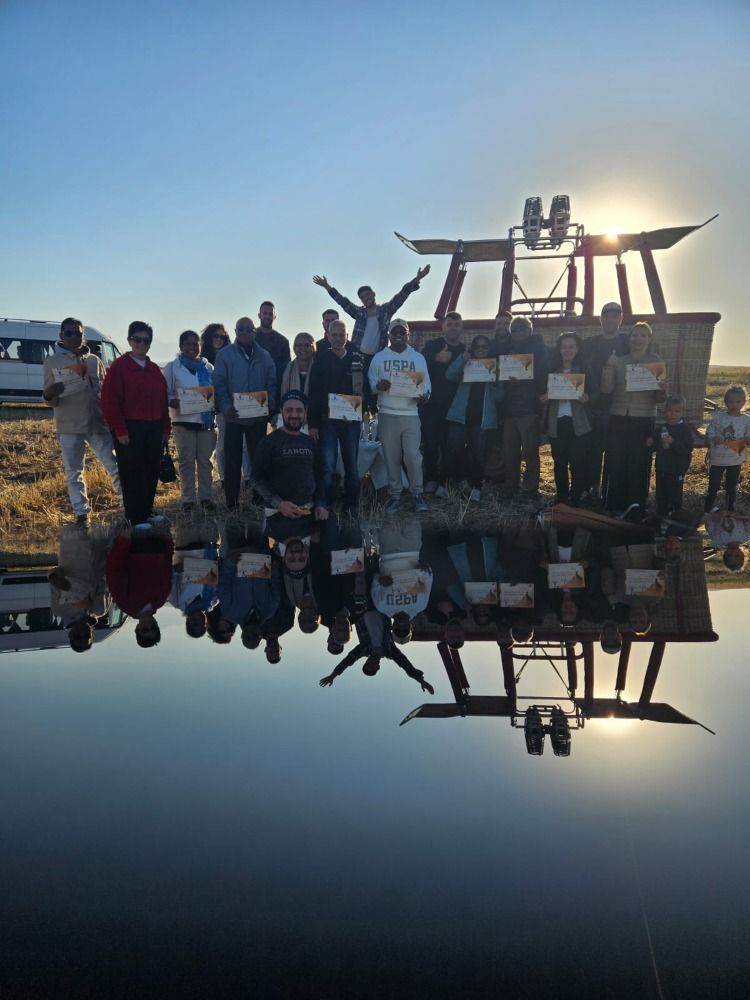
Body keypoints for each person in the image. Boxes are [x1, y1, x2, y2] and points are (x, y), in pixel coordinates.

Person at [42, 317, 122, 526]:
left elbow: (104, 392)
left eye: (77, 333)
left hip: (97, 422)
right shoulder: (52, 362)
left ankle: (128, 504)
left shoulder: (94, 360)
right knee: (74, 471)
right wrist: (50, 394)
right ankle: (81, 513)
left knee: (114, 465)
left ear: (83, 335)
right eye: (68, 333)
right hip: (69, 424)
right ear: (61, 336)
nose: (73, 337)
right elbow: (49, 398)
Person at [312, 265, 431, 400]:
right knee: (358, 387)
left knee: (378, 386)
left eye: (368, 294)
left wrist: (417, 278)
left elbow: (401, 296)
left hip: (377, 357)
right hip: (359, 357)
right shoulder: (359, 313)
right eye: (362, 297)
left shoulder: (385, 311)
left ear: (373, 294)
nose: (366, 298)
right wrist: (327, 286)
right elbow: (342, 301)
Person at [101, 321, 170, 528]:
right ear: (129, 341)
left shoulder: (154, 369)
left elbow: (163, 401)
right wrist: (120, 429)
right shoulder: (119, 367)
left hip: (153, 426)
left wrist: (166, 428)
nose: (142, 344)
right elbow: (110, 401)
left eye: (146, 341)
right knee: (132, 472)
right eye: (137, 340)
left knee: (151, 470)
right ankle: (134, 516)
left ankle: (147, 511)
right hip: (130, 427)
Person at [601, 322, 667, 517]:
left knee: (639, 463)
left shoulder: (656, 362)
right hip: (619, 416)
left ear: (649, 339)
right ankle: (613, 505)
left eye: (643, 335)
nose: (638, 339)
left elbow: (659, 399)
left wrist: (662, 390)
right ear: (629, 338)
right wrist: (608, 367)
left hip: (644, 418)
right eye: (635, 335)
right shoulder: (620, 361)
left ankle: (636, 506)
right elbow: (606, 389)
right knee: (616, 461)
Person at [368, 318, 431, 513]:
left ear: (407, 335)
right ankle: (395, 495)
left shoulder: (418, 358)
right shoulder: (379, 357)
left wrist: (424, 396)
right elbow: (371, 383)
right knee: (391, 457)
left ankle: (417, 494)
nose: (398, 336)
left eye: (401, 332)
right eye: (394, 332)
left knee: (412, 456)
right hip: (387, 413)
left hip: (410, 414)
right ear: (388, 334)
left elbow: (426, 385)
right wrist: (378, 386)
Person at [213, 316, 276, 510]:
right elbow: (219, 384)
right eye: (241, 329)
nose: (245, 332)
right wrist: (226, 407)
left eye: (249, 329)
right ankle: (231, 502)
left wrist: (270, 403)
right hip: (234, 417)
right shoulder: (224, 355)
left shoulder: (265, 356)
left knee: (258, 460)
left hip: (257, 418)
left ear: (254, 332)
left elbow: (271, 381)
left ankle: (258, 498)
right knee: (232, 461)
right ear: (235, 331)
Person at [307, 320, 364, 515]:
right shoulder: (321, 360)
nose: (339, 338)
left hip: (351, 419)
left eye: (342, 335)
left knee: (351, 464)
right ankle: (326, 503)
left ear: (347, 336)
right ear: (328, 336)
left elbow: (365, 387)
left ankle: (351, 504)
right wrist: (313, 424)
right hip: (327, 420)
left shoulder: (357, 358)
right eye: (335, 335)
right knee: (327, 464)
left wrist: (364, 402)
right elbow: (314, 394)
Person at [444, 334, 504, 502]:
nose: (480, 349)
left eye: (484, 347)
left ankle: (476, 486)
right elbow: (450, 375)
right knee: (454, 449)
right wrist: (462, 359)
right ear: (472, 349)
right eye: (477, 347)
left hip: (482, 419)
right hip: (460, 416)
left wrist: (495, 381)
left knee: (478, 454)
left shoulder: (494, 367)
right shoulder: (466, 363)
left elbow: (500, 396)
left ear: (489, 349)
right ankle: (459, 481)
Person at [251, 390, 328, 520]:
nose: (294, 415)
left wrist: (320, 504)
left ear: (305, 413)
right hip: (278, 512)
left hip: (309, 510)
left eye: (299, 410)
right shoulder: (268, 442)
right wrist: (279, 503)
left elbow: (320, 477)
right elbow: (256, 478)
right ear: (281, 411)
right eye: (289, 410)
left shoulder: (310, 443)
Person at [162, 330, 217, 512]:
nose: (192, 347)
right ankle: (188, 500)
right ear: (181, 346)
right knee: (186, 462)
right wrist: (175, 402)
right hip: (183, 421)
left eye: (195, 344)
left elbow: (215, 392)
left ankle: (206, 497)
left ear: (200, 346)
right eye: (188, 343)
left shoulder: (208, 368)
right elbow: (166, 393)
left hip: (205, 422)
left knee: (205, 462)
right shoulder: (172, 367)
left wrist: (215, 402)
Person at [581, 302, 630, 500]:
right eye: (606, 316)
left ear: (621, 319)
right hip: (593, 406)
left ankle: (610, 493)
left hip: (618, 406)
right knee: (591, 452)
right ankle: (591, 490)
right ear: (600, 319)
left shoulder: (628, 342)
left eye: (615, 316)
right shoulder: (589, 344)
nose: (610, 319)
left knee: (614, 453)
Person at [497, 315, 548, 499]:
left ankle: (530, 488)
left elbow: (543, 374)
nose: (518, 332)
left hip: (529, 408)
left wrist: (524, 380)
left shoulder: (539, 349)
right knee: (510, 451)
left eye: (522, 328)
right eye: (515, 329)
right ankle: (512, 485)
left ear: (530, 330)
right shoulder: (507, 349)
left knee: (530, 451)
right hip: (510, 409)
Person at [542, 332, 592, 505]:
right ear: (559, 350)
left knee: (577, 463)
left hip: (578, 423)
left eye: (571, 346)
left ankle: (575, 498)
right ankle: (561, 498)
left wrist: (587, 398)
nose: (567, 350)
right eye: (564, 347)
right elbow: (541, 397)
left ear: (577, 349)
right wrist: (545, 398)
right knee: (559, 462)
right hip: (557, 423)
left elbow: (595, 395)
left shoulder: (584, 370)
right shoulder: (552, 372)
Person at [421, 311, 467, 495]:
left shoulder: (465, 350)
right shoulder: (432, 346)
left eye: (457, 324)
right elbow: (419, 361)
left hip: (454, 406)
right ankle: (431, 479)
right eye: (449, 324)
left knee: (453, 446)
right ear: (443, 327)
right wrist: (435, 358)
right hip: (431, 405)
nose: (453, 327)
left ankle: (450, 479)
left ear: (461, 328)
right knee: (431, 444)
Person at [105, 528, 174, 648]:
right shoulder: (160, 601)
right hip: (158, 541)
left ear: (137, 629)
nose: (149, 625)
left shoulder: (125, 604)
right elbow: (168, 567)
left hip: (135, 544)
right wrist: (169, 542)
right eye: (153, 628)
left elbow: (114, 570)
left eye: (145, 629)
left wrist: (124, 541)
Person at [703, 385, 750, 512]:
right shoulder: (719, 417)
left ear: (744, 402)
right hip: (718, 458)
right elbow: (710, 431)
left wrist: (747, 439)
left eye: (738, 402)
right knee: (713, 485)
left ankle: (730, 510)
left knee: (731, 486)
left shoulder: (746, 420)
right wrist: (714, 437)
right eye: (730, 401)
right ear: (725, 402)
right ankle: (707, 510)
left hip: (735, 459)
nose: (734, 405)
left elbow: (748, 435)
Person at [647, 394, 694, 516]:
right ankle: (661, 517)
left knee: (674, 496)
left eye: (677, 411)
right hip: (662, 468)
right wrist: (651, 440)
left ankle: (675, 518)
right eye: (670, 410)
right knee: (661, 496)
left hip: (676, 470)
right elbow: (656, 443)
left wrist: (673, 442)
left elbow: (687, 449)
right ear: (665, 411)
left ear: (682, 412)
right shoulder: (662, 428)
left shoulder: (684, 429)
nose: (672, 414)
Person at [256, 301, 291, 395]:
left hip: (275, 390)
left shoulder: (283, 342)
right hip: (251, 391)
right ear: (259, 315)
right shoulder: (248, 339)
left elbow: (286, 369)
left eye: (270, 314)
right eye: (265, 313)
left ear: (274, 317)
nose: (267, 316)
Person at [280, 332, 316, 398]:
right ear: (294, 348)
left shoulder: (320, 369)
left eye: (307, 345)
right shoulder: (284, 369)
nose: (303, 348)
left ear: (313, 348)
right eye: (299, 345)